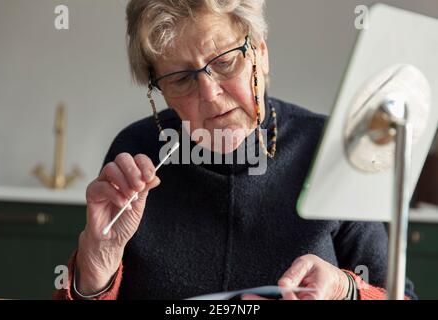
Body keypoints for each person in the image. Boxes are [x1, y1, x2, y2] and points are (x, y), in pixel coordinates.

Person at [54, 0, 415, 300]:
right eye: (181, 79)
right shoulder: (136, 153)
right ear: (160, 92)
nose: (209, 94)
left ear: (261, 54)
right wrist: (97, 263)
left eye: (225, 62)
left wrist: (346, 291)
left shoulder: (331, 149)